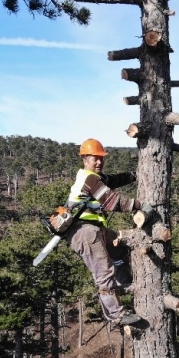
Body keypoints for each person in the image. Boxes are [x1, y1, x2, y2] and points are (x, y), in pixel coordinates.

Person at [65, 138, 142, 327]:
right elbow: (112, 201)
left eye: (101, 158)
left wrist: (134, 175)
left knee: (119, 246)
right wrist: (141, 206)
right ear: (85, 159)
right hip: (84, 232)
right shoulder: (88, 178)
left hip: (95, 229)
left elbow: (114, 180)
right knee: (104, 273)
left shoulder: (95, 177)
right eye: (95, 158)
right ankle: (116, 315)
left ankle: (124, 283)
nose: (99, 162)